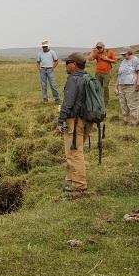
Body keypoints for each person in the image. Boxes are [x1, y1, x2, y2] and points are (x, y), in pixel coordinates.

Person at [57, 53, 92, 192]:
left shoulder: (73, 79)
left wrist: (60, 121)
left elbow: (68, 103)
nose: (65, 65)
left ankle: (79, 184)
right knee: (74, 151)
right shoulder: (86, 77)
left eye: (67, 63)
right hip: (86, 120)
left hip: (74, 121)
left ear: (74, 65)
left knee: (74, 153)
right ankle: (71, 180)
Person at [115, 47, 139, 126]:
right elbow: (119, 74)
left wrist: (138, 83)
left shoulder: (136, 60)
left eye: (124, 54)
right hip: (121, 85)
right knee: (123, 103)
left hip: (131, 85)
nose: (123, 56)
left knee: (132, 103)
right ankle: (126, 120)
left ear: (129, 53)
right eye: (122, 54)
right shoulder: (123, 61)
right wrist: (116, 85)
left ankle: (133, 121)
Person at [88, 41, 116, 106]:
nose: (99, 49)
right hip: (98, 73)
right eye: (98, 47)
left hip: (107, 73)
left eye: (100, 47)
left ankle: (106, 102)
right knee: (97, 87)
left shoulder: (109, 52)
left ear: (103, 47)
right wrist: (93, 51)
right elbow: (89, 59)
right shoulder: (97, 53)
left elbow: (115, 61)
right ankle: (98, 101)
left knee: (105, 87)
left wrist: (107, 59)